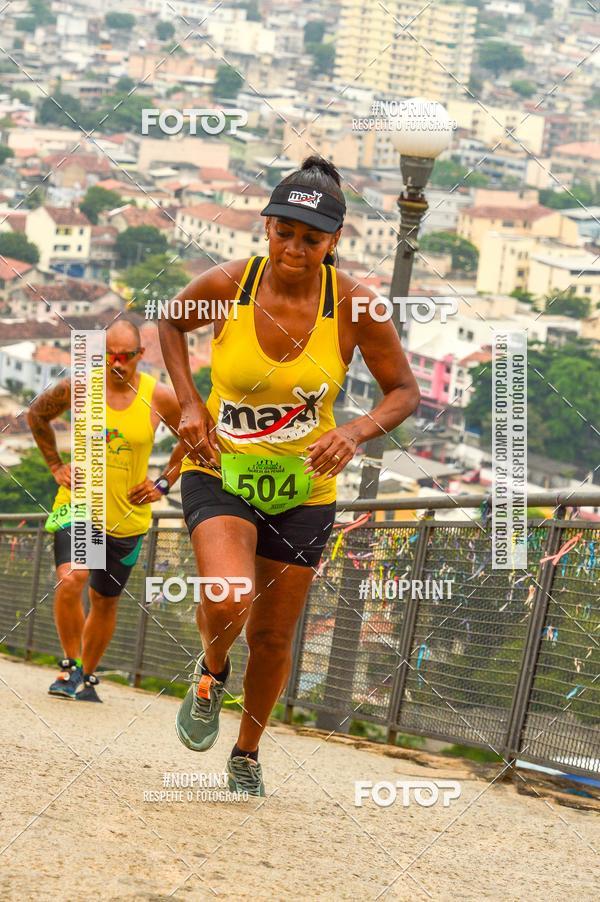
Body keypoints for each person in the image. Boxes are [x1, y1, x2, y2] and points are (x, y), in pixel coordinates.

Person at [158, 155, 420, 795]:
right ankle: (212, 672)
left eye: (311, 238)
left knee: (274, 635)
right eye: (285, 232)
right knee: (228, 594)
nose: (295, 249)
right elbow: (168, 320)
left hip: (305, 489)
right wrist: (191, 403)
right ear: (266, 226)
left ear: (334, 240)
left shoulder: (358, 307)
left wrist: (354, 431)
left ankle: (246, 753)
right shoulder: (229, 285)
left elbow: (403, 393)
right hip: (221, 468)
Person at [27, 320, 184, 702]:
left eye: (125, 356)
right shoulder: (80, 387)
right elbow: (36, 415)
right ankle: (69, 665)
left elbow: (195, 439)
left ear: (139, 356)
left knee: (104, 600)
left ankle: (86, 675)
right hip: (79, 506)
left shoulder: (159, 396)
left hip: (127, 517)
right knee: (72, 579)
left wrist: (162, 483)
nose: (117, 363)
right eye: (109, 355)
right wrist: (55, 466)